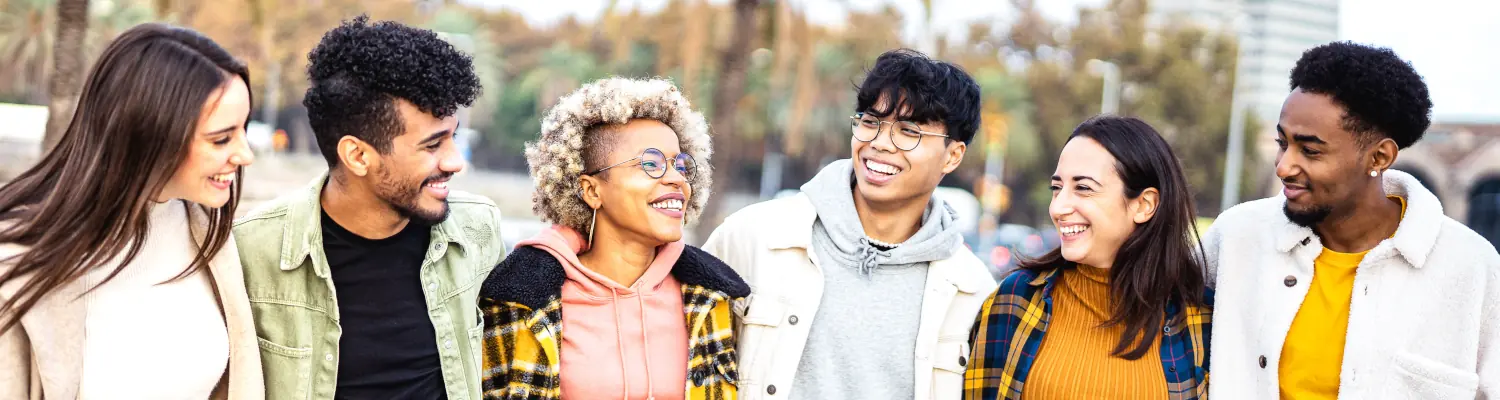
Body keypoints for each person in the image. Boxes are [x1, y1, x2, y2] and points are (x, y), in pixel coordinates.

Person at [1205, 41, 1500, 398]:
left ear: (1379, 157)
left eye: (1310, 151)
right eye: (1283, 143)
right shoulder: (1236, 237)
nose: (1283, 166)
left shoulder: (1472, 267)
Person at [233, 16, 504, 400]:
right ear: (358, 156)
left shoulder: (479, 231)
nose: (455, 161)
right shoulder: (252, 251)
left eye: (453, 138)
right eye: (433, 145)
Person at [702, 48, 995, 399]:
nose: (880, 143)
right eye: (870, 122)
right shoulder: (753, 237)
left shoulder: (972, 291)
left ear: (952, 156)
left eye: (908, 131)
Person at [0, 24, 261, 399]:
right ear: (150, 133)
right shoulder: (17, 263)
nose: (245, 155)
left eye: (243, 130)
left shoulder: (212, 243)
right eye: (222, 138)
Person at [479, 77, 747, 400]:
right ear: (592, 190)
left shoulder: (711, 299)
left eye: (680, 165)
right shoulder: (521, 300)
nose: (677, 179)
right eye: (651, 164)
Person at [964, 116, 1212, 399]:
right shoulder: (1016, 299)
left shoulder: (1201, 320)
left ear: (1144, 205)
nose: (1058, 208)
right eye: (1056, 188)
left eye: (1083, 188)